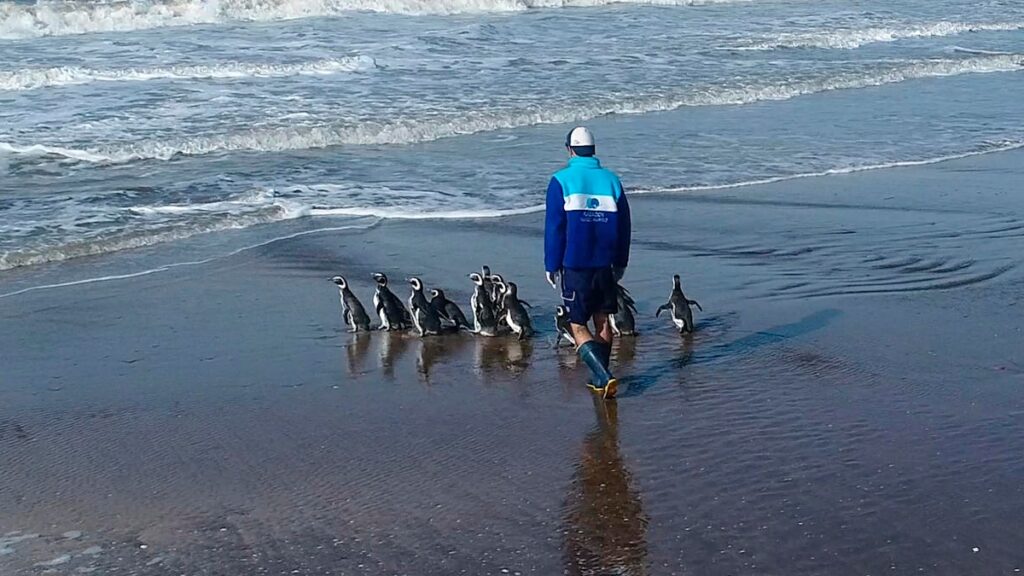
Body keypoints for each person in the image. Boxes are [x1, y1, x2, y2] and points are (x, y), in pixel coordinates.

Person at [544, 126, 631, 399]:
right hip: (605, 264)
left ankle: (604, 375)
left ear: (570, 150)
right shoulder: (612, 181)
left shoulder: (560, 181)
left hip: (575, 264)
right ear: (593, 150)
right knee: (603, 321)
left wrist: (551, 264)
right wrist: (621, 261)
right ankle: (599, 378)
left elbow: (555, 228)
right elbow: (624, 227)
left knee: (577, 324)